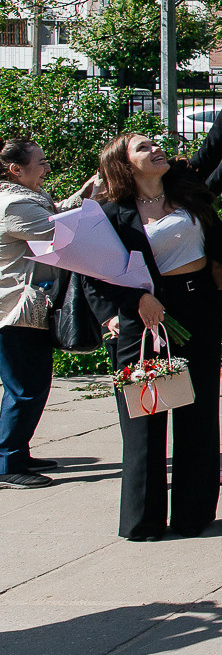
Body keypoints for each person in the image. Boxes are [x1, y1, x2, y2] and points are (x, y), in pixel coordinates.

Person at [85, 46, 222, 540]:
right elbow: (95, 271)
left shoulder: (183, 186)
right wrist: (131, 304)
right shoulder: (110, 212)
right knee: (146, 418)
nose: (156, 150)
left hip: (197, 306)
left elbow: (213, 146)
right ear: (124, 164)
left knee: (197, 414)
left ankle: (193, 514)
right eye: (144, 147)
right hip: (143, 317)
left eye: (157, 145)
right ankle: (142, 521)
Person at [0, 139, 90, 489]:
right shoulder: (15, 204)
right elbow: (60, 233)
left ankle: (15, 453)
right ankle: (7, 463)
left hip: (25, 308)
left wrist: (83, 196)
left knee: (28, 385)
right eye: (41, 161)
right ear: (15, 170)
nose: (47, 167)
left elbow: (53, 216)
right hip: (15, 311)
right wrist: (95, 207)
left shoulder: (22, 198)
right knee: (25, 388)